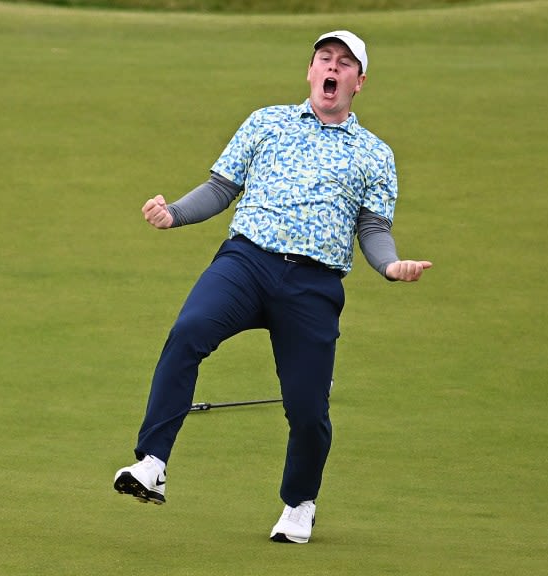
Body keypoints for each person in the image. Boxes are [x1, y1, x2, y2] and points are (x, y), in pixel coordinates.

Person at [113, 30, 432, 544]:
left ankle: (299, 503)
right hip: (246, 262)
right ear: (310, 71)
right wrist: (173, 214)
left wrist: (391, 266)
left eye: (345, 63)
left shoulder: (375, 154)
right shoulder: (266, 122)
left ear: (359, 81)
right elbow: (222, 188)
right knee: (188, 332)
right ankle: (153, 461)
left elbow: (372, 229)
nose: (333, 68)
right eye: (324, 58)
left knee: (307, 408)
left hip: (314, 284)